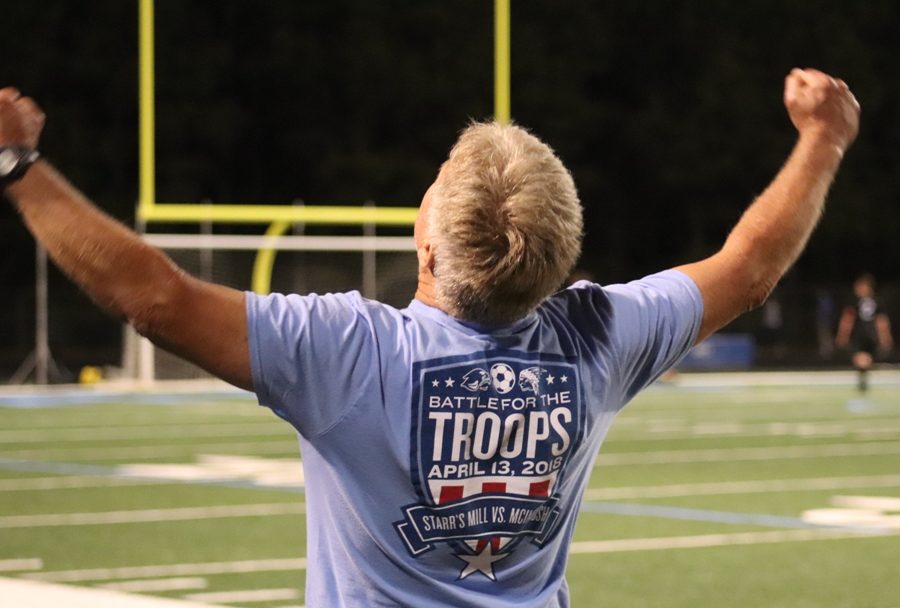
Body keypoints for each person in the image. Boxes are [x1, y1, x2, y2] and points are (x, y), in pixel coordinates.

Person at [0, 68, 858, 607]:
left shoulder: (344, 351)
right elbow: (748, 270)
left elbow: (152, 299)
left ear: (425, 240)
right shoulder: (600, 334)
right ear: (562, 265)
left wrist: (17, 168)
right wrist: (823, 140)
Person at [835, 273, 893, 393]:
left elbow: (847, 319)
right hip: (872, 334)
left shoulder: (854, 301)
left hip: (860, 333)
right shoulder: (878, 300)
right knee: (865, 358)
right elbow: (882, 322)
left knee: (860, 358)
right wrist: (885, 337)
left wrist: (842, 335)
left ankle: (862, 379)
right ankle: (864, 377)